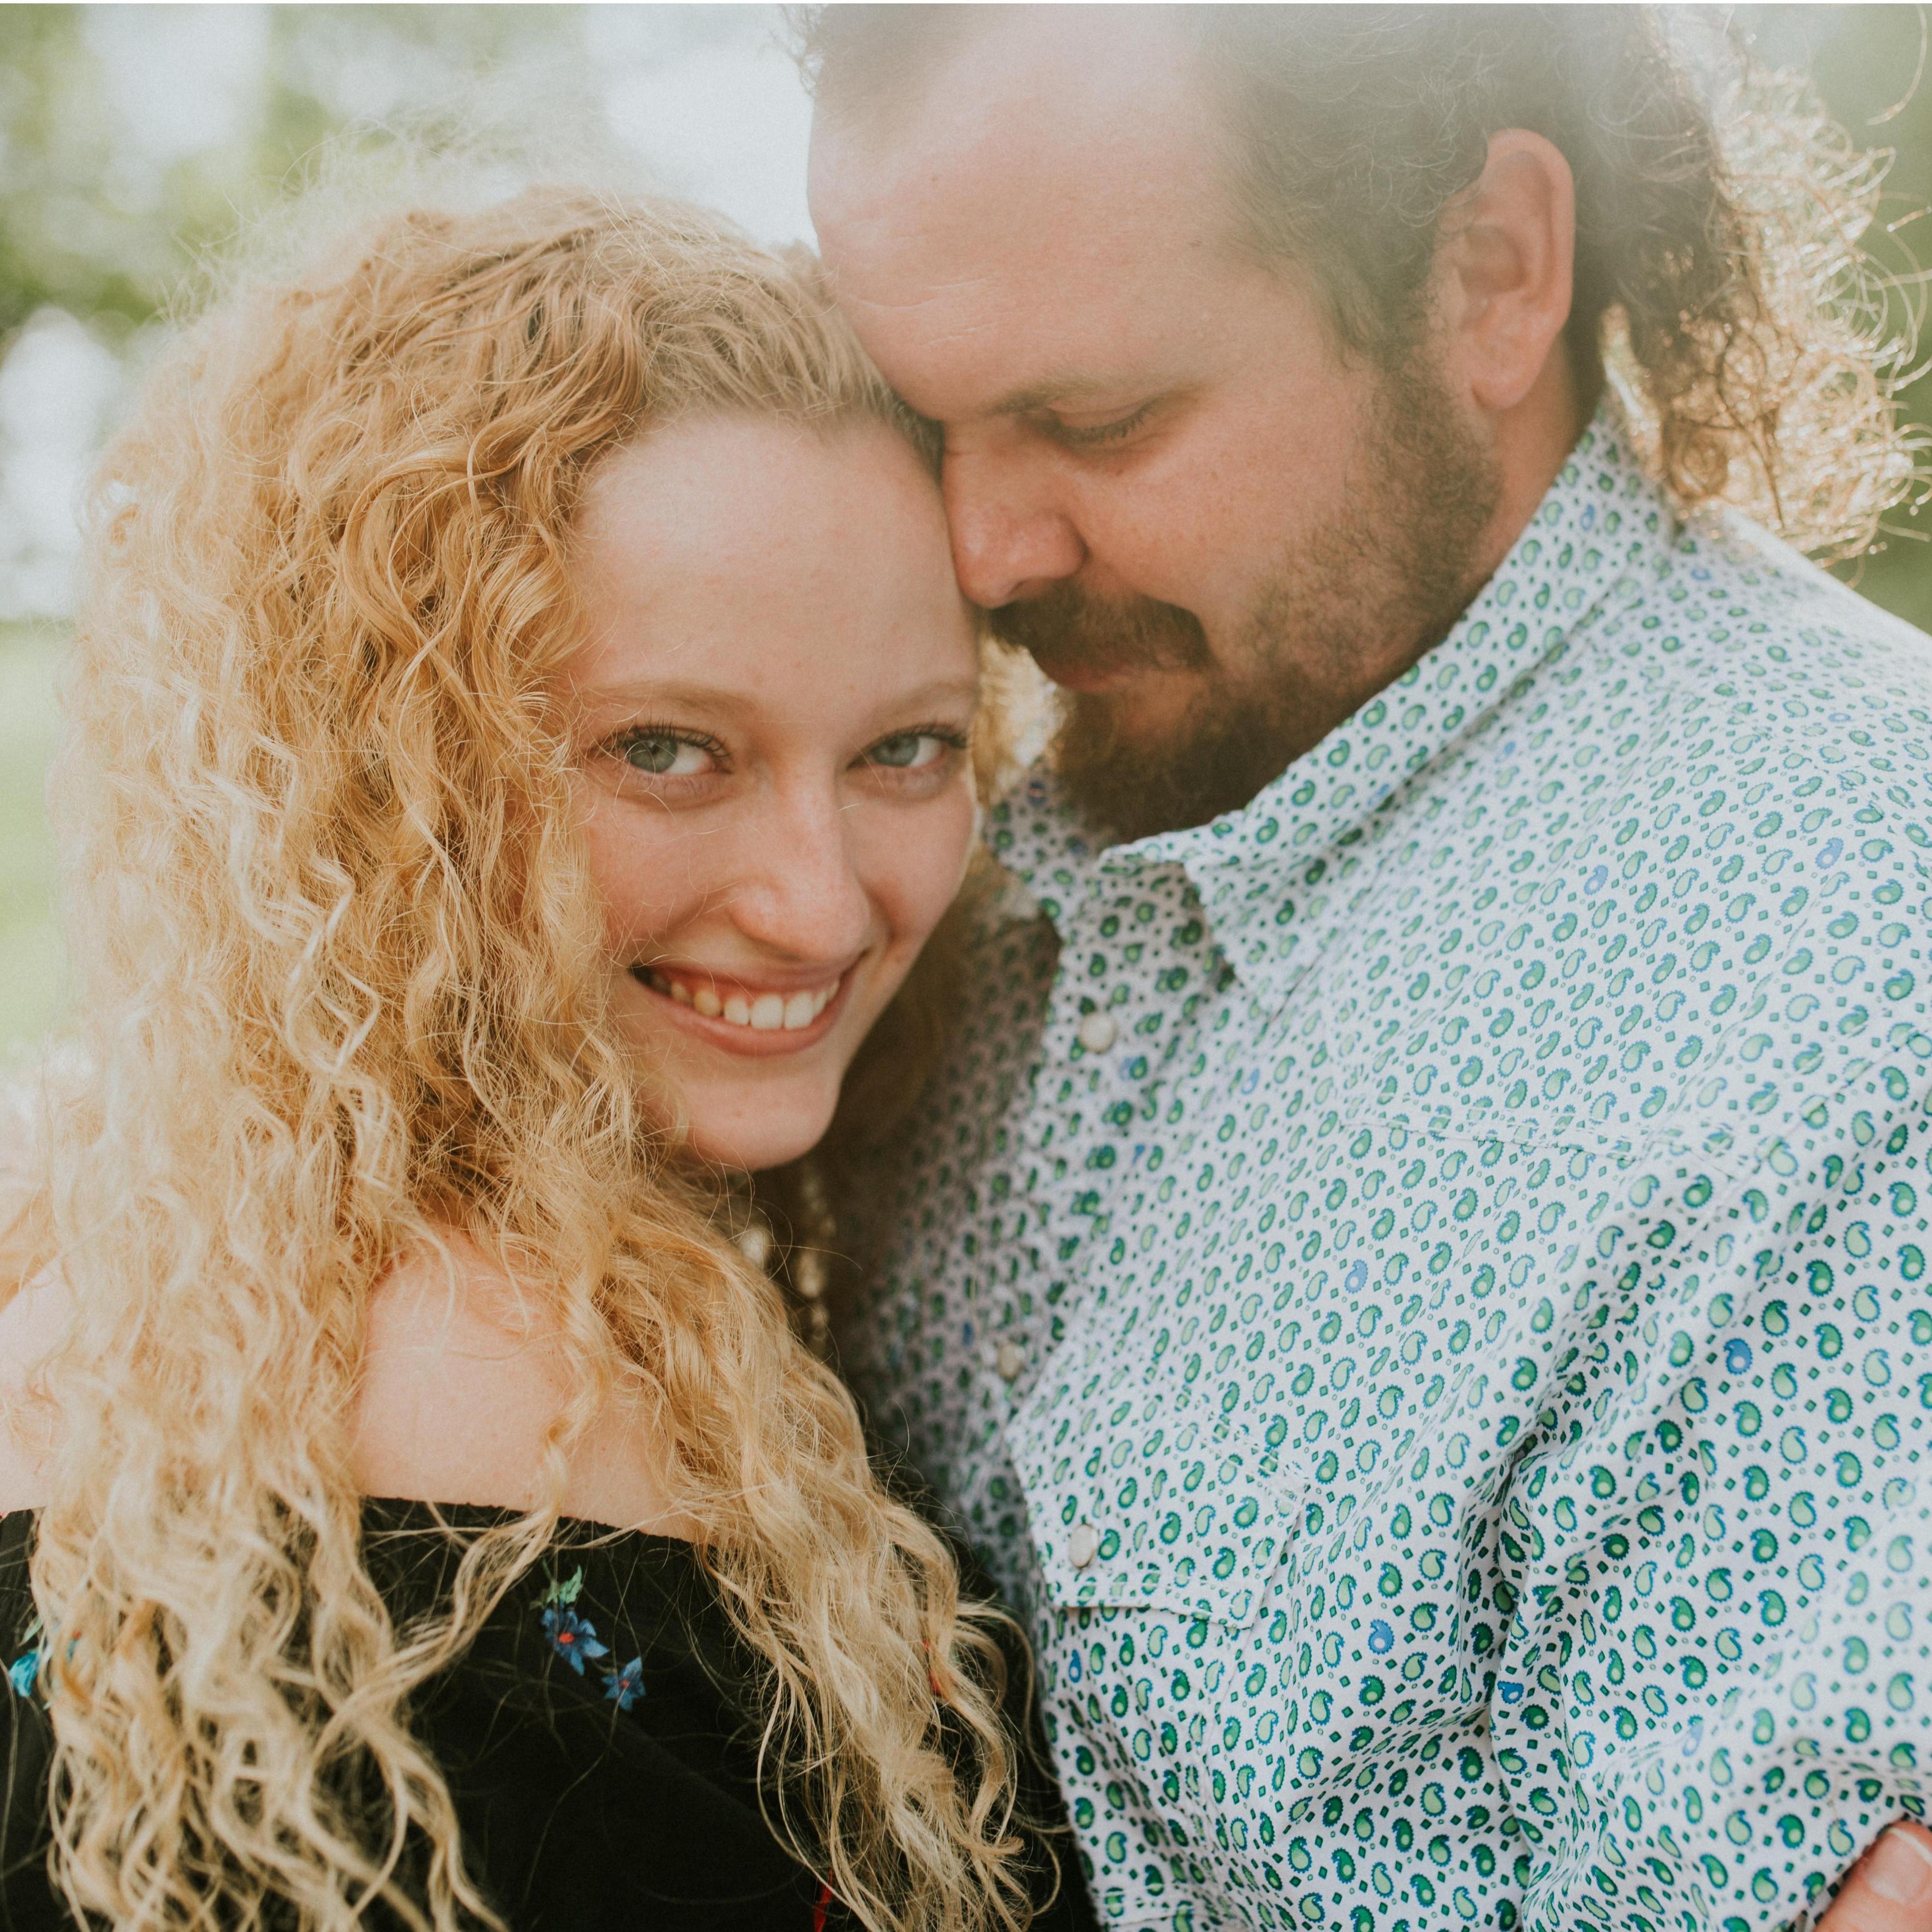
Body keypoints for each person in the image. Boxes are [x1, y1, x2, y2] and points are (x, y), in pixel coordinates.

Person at [800, 7, 1932, 1929]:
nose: (983, 551)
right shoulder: (948, 857)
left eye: (1095, 423)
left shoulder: (1856, 977)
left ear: (1492, 271)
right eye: (923, 423)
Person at [0, 183, 1086, 1932]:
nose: (818, 905)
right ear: (377, 780)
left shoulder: (147, 1240)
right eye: (668, 749)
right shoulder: (467, 1430)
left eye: (907, 748)